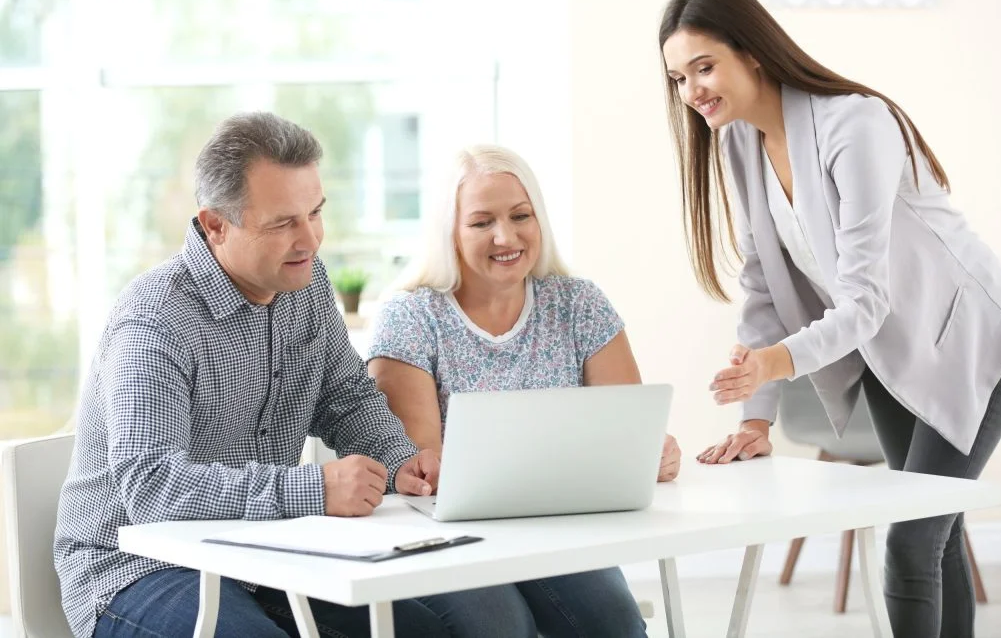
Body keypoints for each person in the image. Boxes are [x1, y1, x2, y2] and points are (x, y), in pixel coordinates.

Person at [658, 0, 1001, 638]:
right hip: (887, 351)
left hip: (970, 339)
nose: (692, 91)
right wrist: (757, 419)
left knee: (911, 538)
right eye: (679, 78)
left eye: (704, 67)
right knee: (933, 532)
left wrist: (774, 362)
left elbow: (865, 296)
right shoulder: (739, 141)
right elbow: (763, 286)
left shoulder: (855, 123)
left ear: (752, 52)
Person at [54, 113, 503, 638]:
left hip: (265, 553)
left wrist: (400, 461)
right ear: (215, 225)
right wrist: (314, 490)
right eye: (283, 223)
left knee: (425, 633)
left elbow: (346, 398)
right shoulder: (155, 320)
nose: (310, 239)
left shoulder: (305, 283)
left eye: (315, 212)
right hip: (135, 569)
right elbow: (151, 487)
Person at [366, 143, 680, 638]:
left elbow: (626, 432)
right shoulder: (410, 317)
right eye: (481, 222)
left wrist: (651, 455)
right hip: (447, 536)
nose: (505, 237)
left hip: (557, 528)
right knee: (502, 626)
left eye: (520, 216)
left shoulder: (579, 304)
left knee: (614, 620)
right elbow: (425, 470)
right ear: (450, 232)